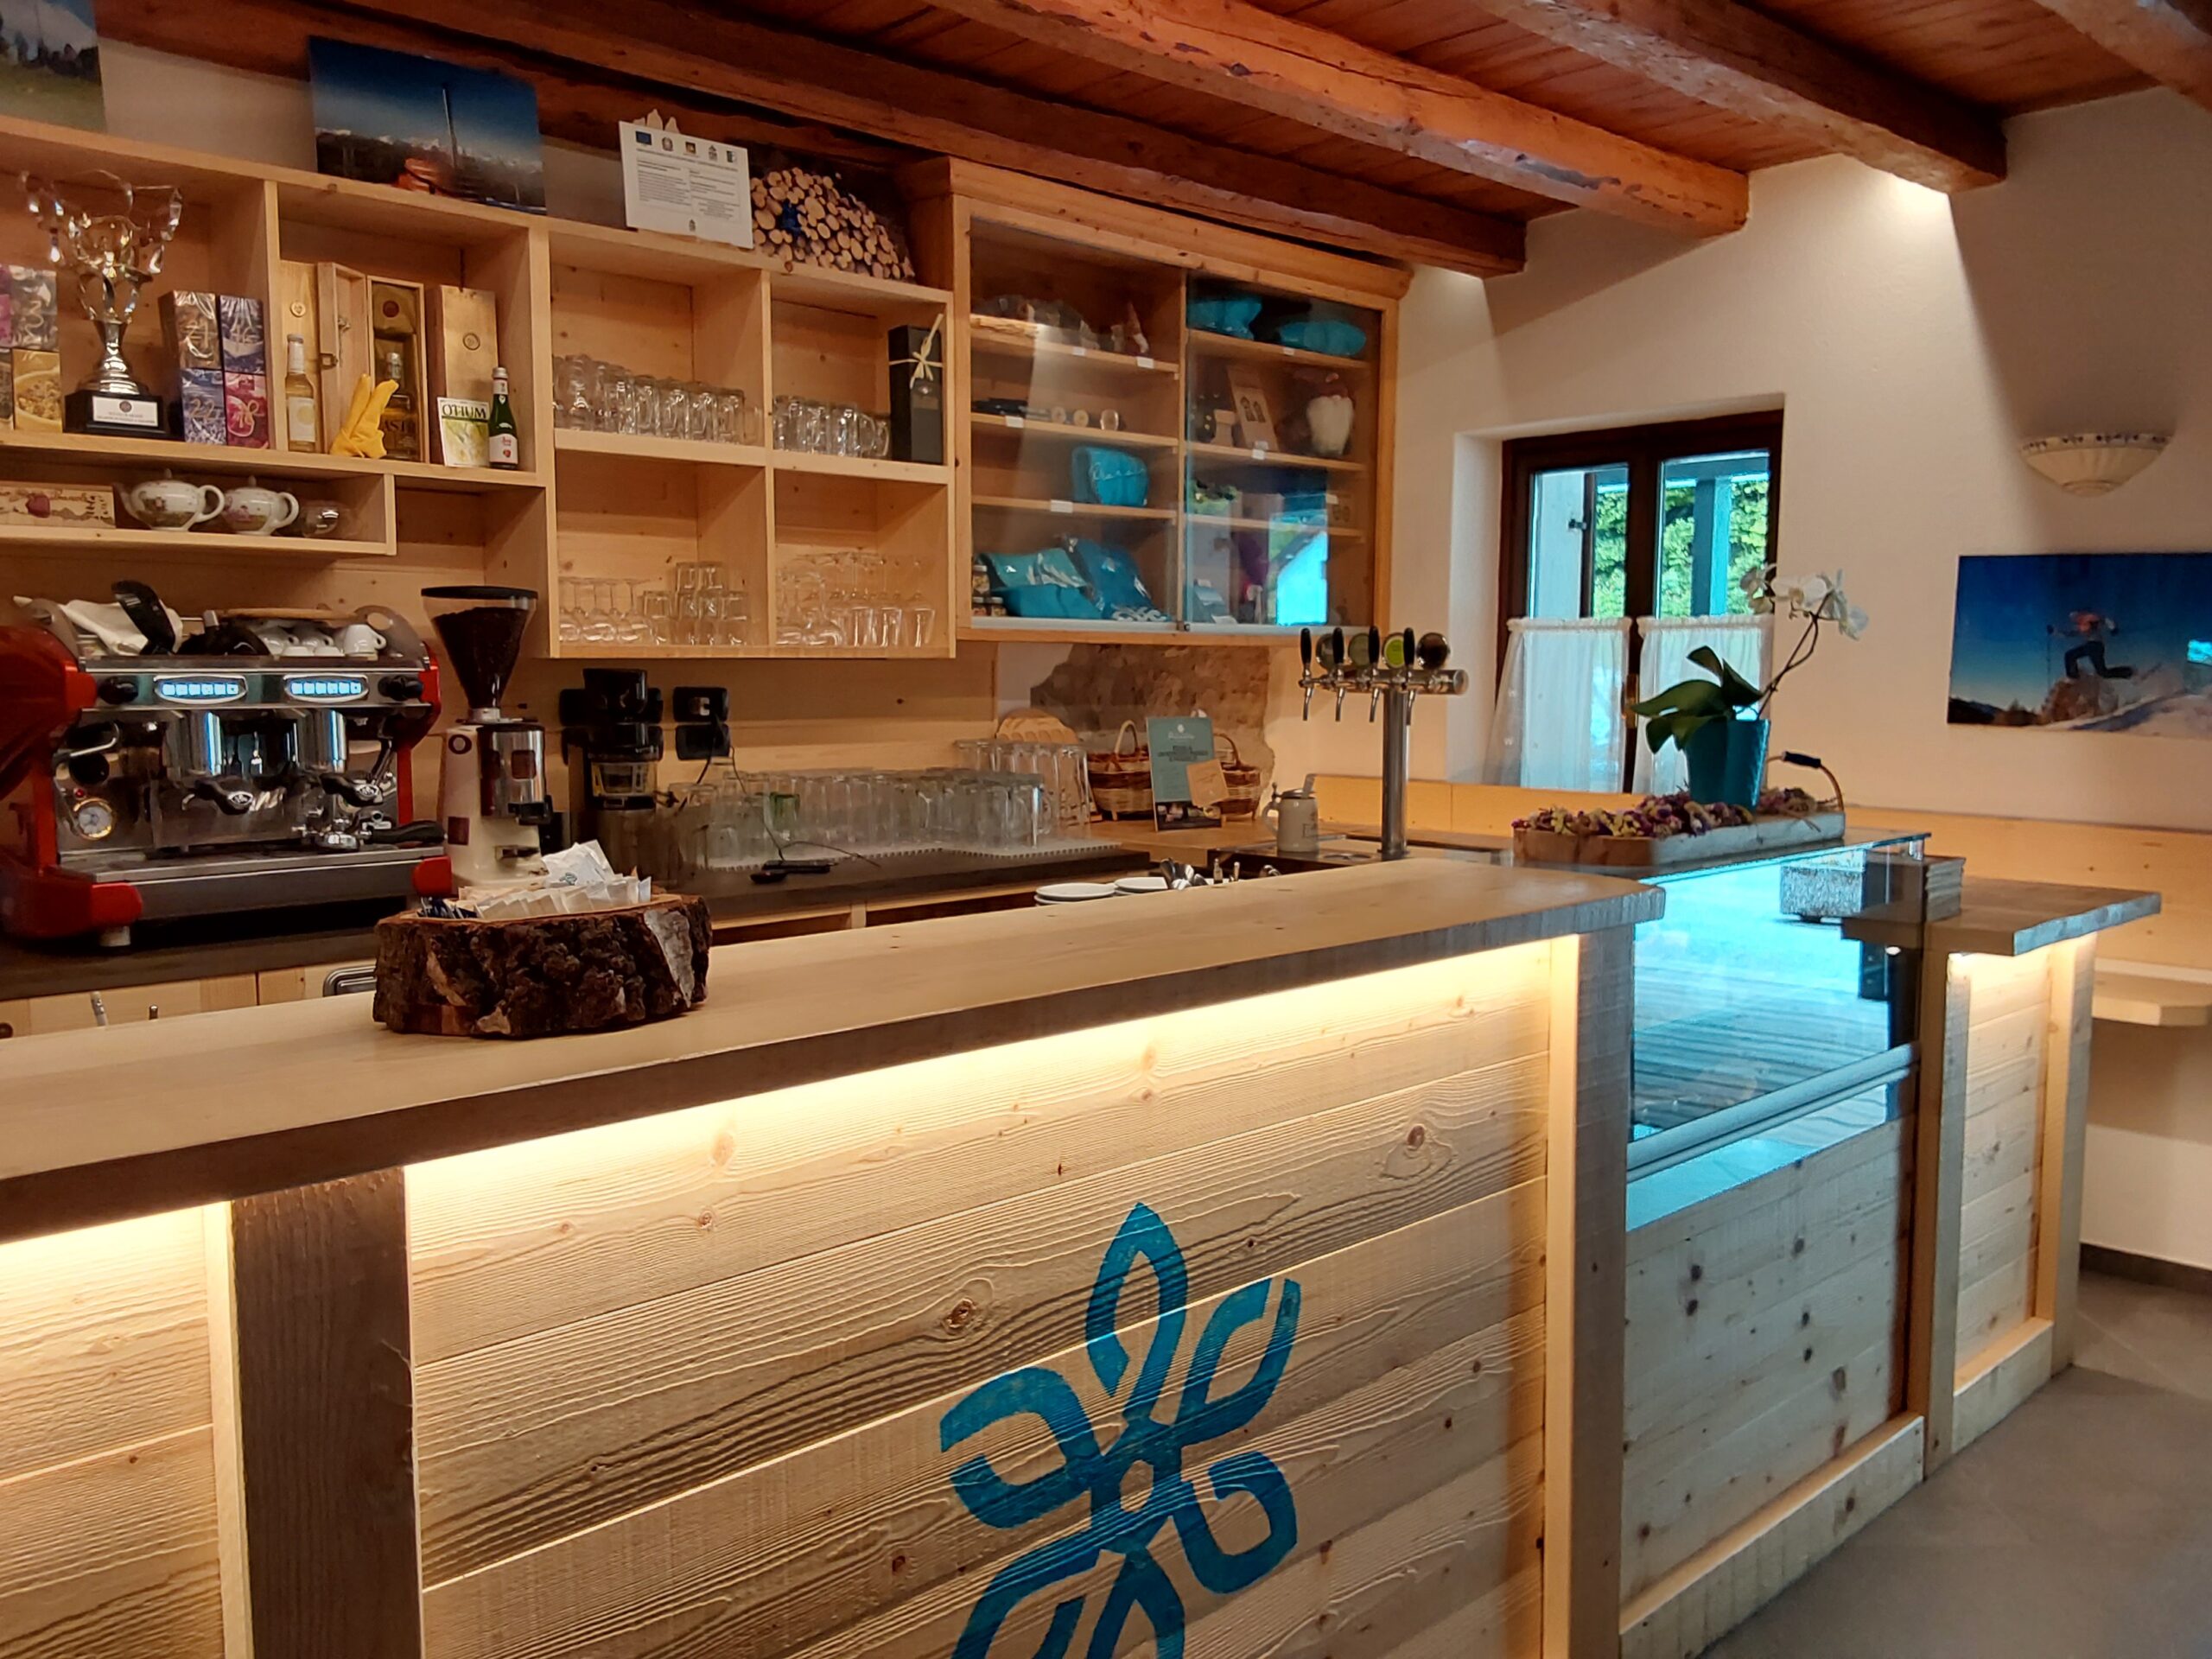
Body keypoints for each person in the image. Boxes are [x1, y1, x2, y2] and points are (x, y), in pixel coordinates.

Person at [2061, 610, 2133, 680]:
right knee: (2069, 655)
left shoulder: (2088, 618)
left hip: (2095, 646)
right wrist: (2058, 632)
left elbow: (2104, 619)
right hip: (2089, 646)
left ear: (2079, 615)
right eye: (2073, 619)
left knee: (2103, 673)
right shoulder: (2081, 625)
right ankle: (2073, 676)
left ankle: (2128, 672)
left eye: (2075, 618)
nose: (2075, 620)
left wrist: (2113, 628)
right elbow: (2071, 634)